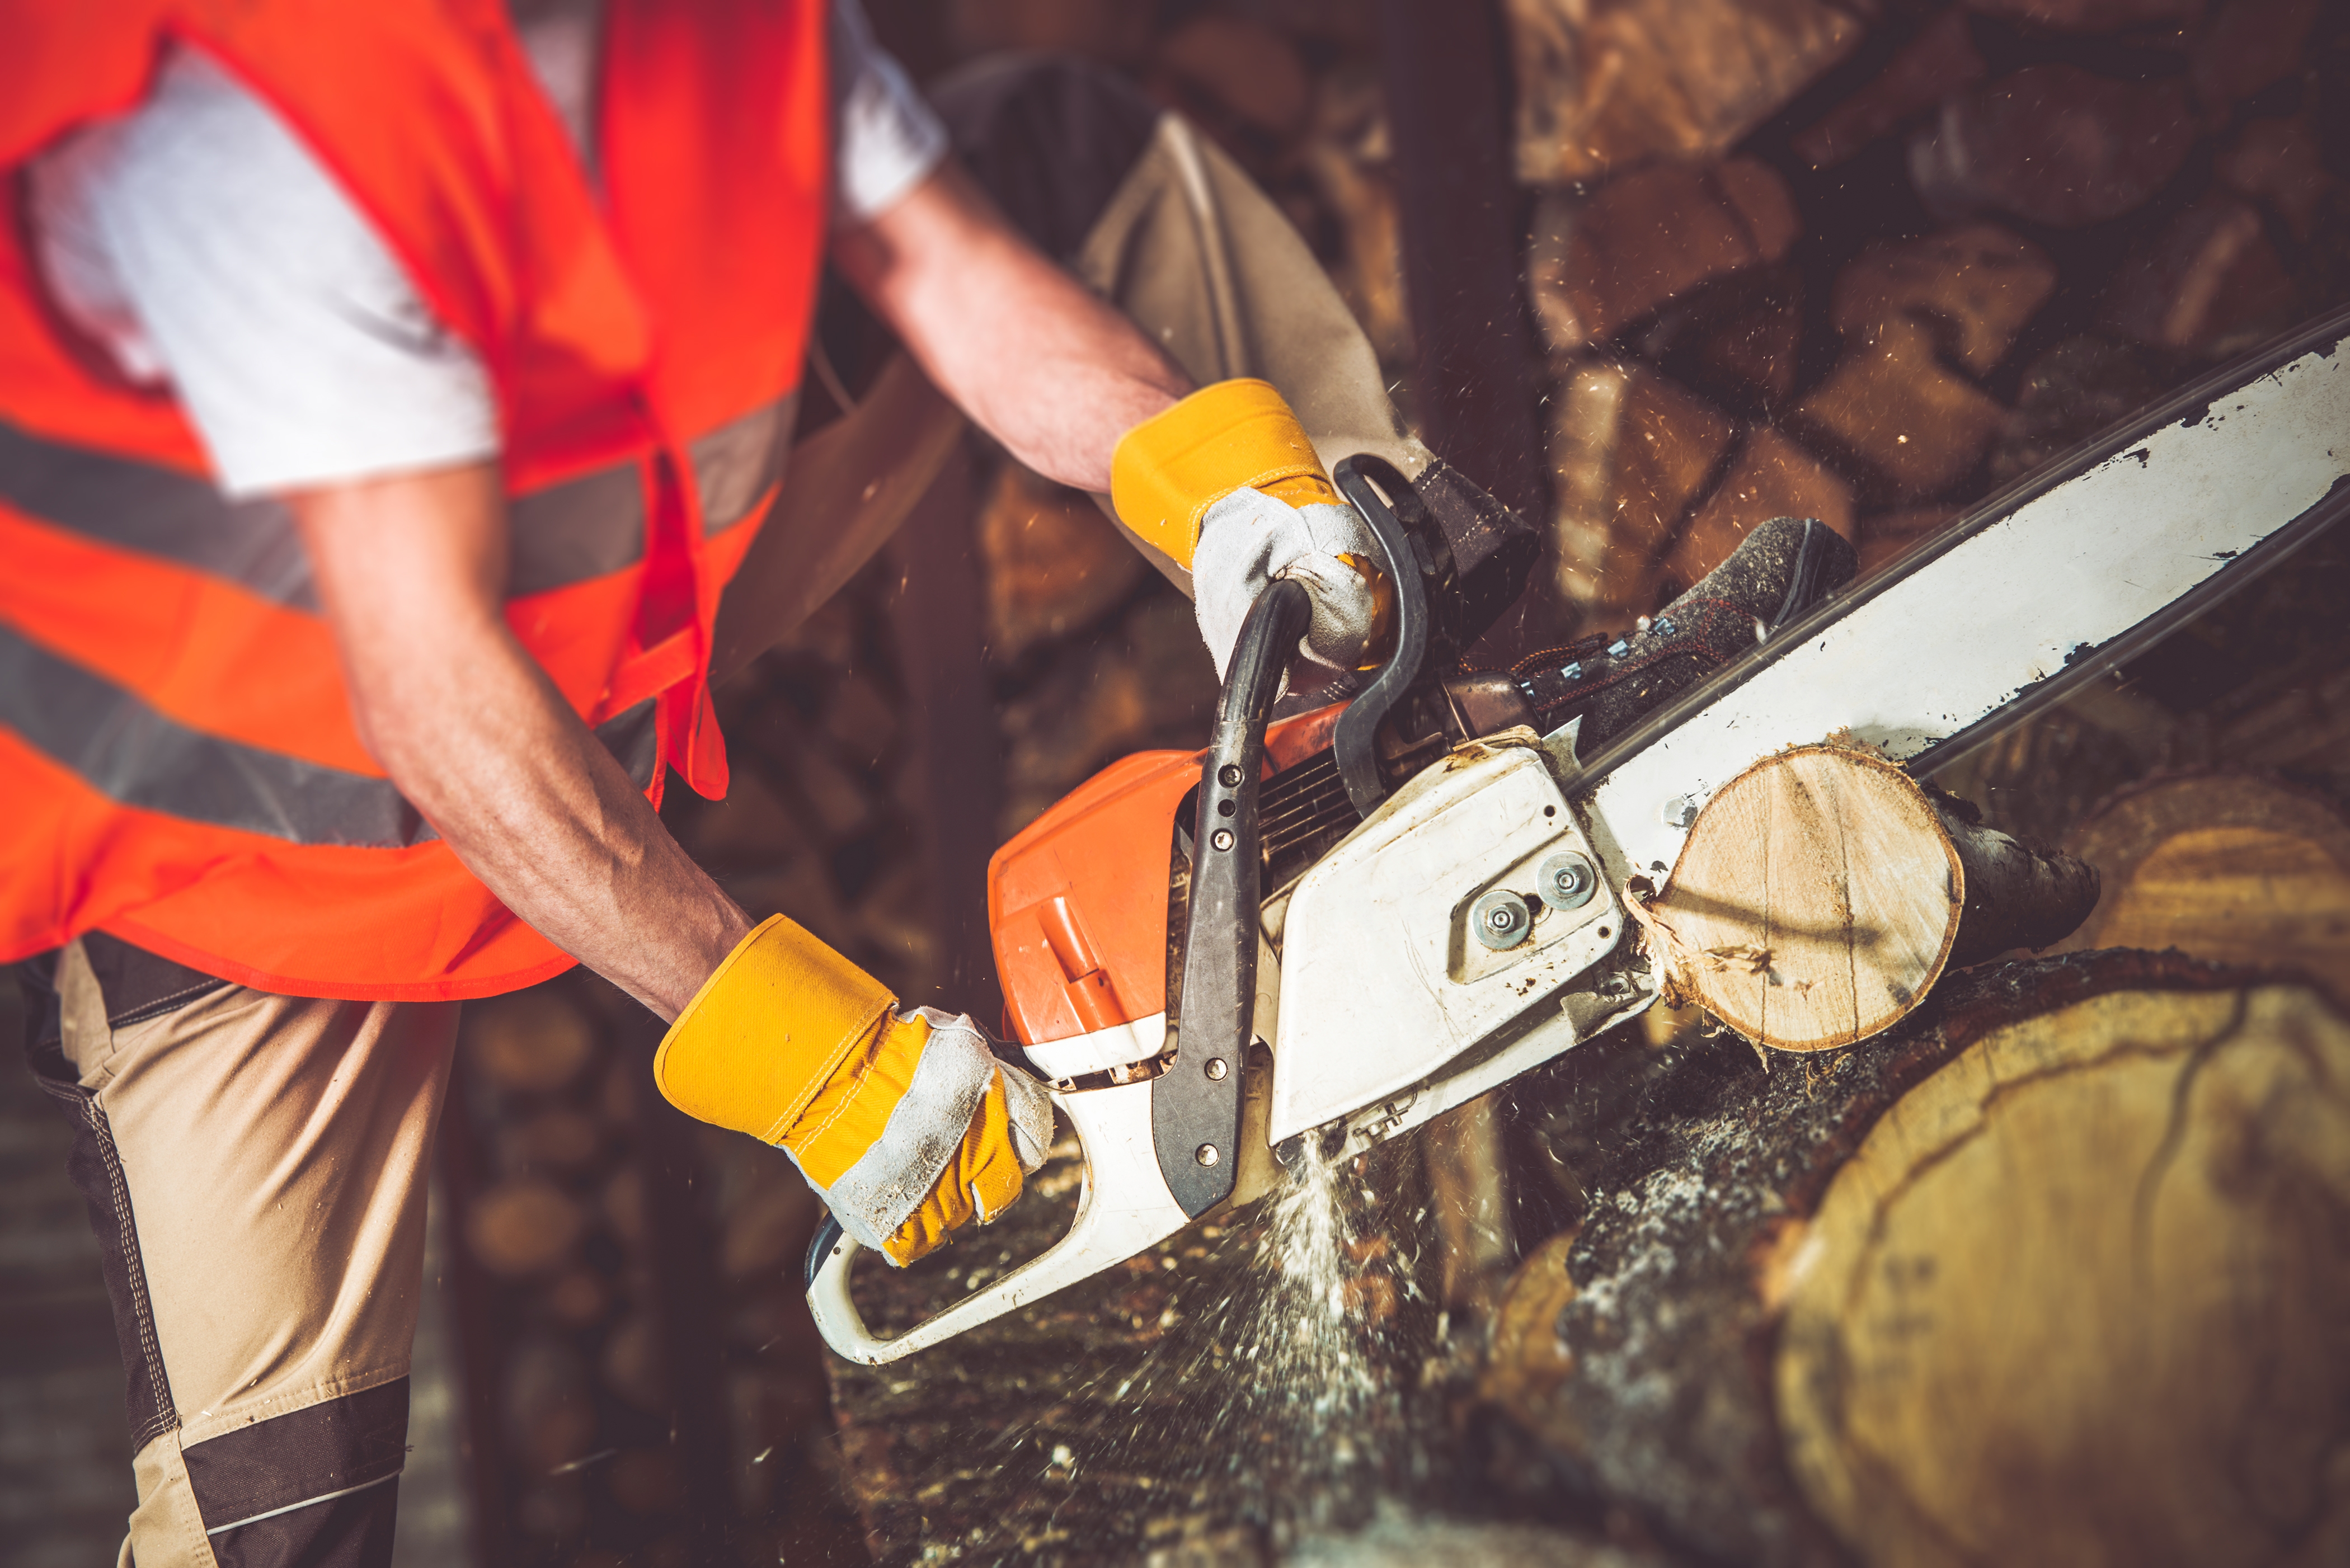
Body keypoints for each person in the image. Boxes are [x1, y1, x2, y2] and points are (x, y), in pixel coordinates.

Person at [2, 3, 1428, 1562]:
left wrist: (1224, 489)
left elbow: (947, 266)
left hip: (587, 628)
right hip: (238, 851)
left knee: (1062, 163)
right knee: (270, 1526)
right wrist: (817, 1068)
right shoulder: (268, 127)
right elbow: (424, 689)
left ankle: (1393, 675)